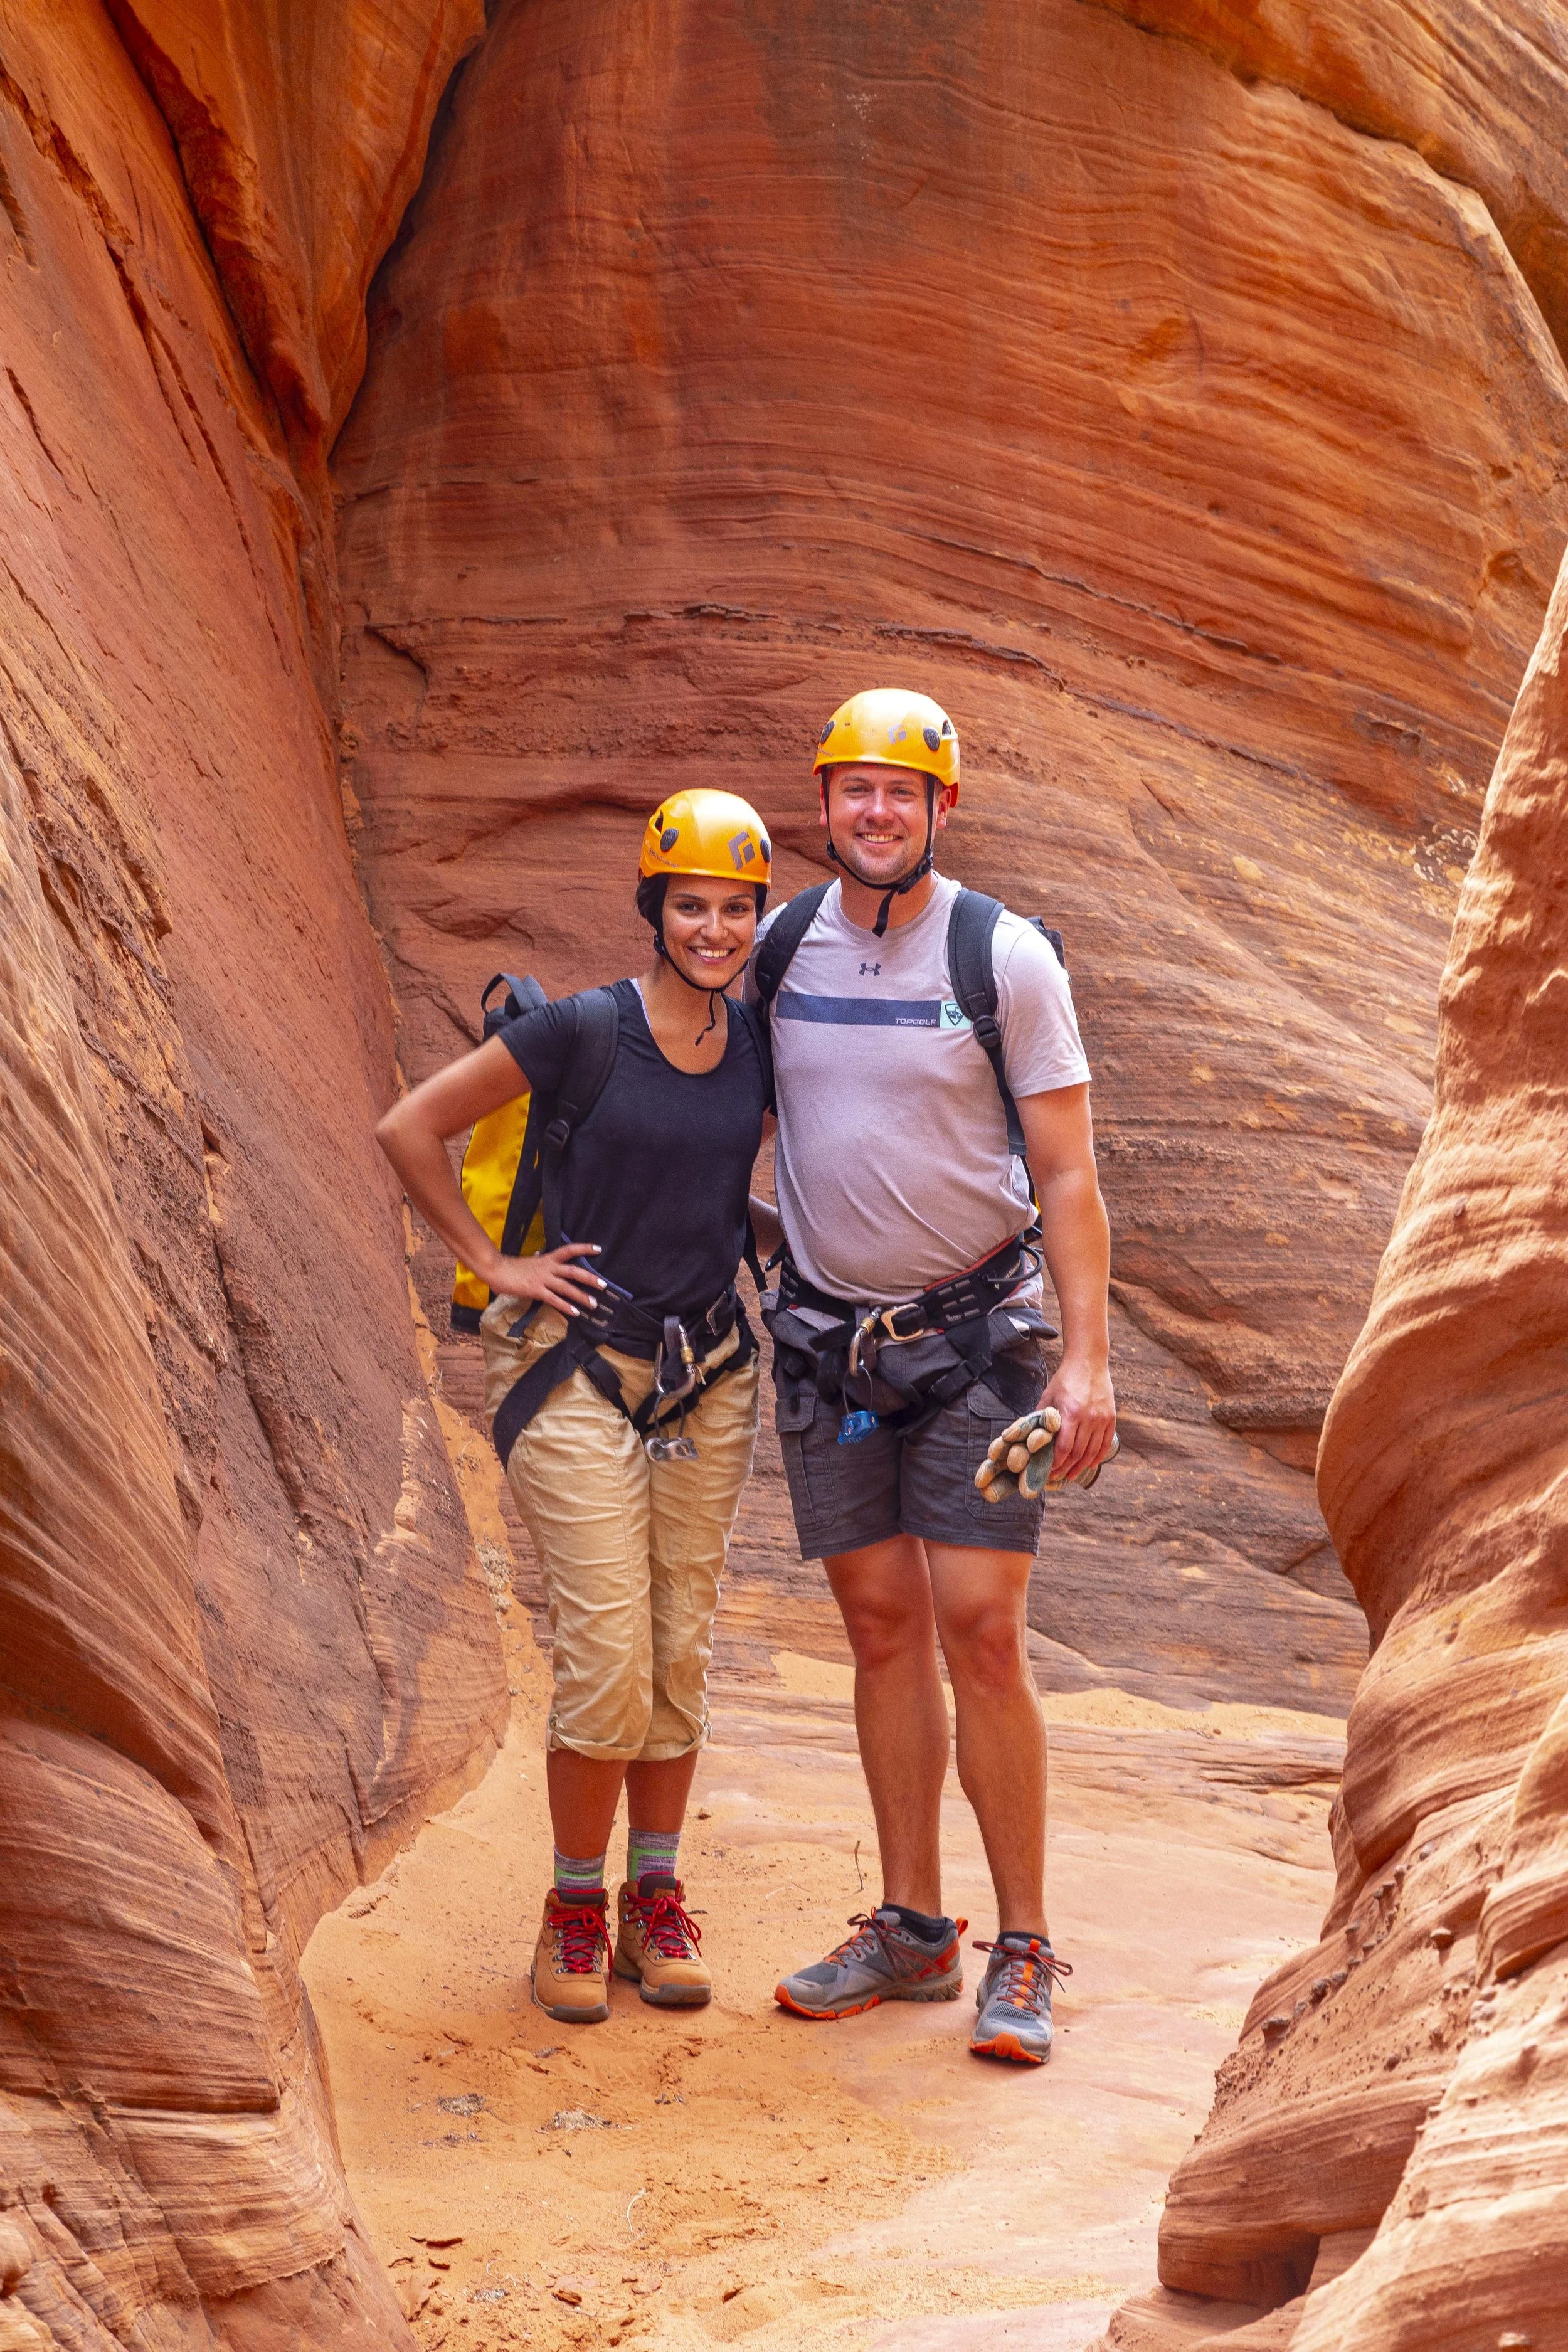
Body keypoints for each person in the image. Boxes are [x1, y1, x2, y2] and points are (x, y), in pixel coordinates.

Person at [749, 688, 1116, 2065]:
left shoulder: (1000, 955)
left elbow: (1069, 1170)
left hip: (979, 1337)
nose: (876, 811)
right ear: (823, 802)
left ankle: (1019, 1943)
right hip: (828, 1341)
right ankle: (911, 1927)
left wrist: (1084, 1359)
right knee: (880, 1628)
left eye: (903, 792)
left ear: (942, 810)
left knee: (976, 1623)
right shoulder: (781, 946)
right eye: (854, 788)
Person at [376, 790, 774, 2026]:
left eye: (733, 908)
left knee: (675, 1653)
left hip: (706, 1371)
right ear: (654, 907)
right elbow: (410, 1127)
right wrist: (494, 1265)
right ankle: (570, 1906)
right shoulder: (585, 1033)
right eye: (690, 905)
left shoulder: (757, 1043)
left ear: (758, 918)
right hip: (566, 1361)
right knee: (606, 1658)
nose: (711, 928)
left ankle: (654, 1903)